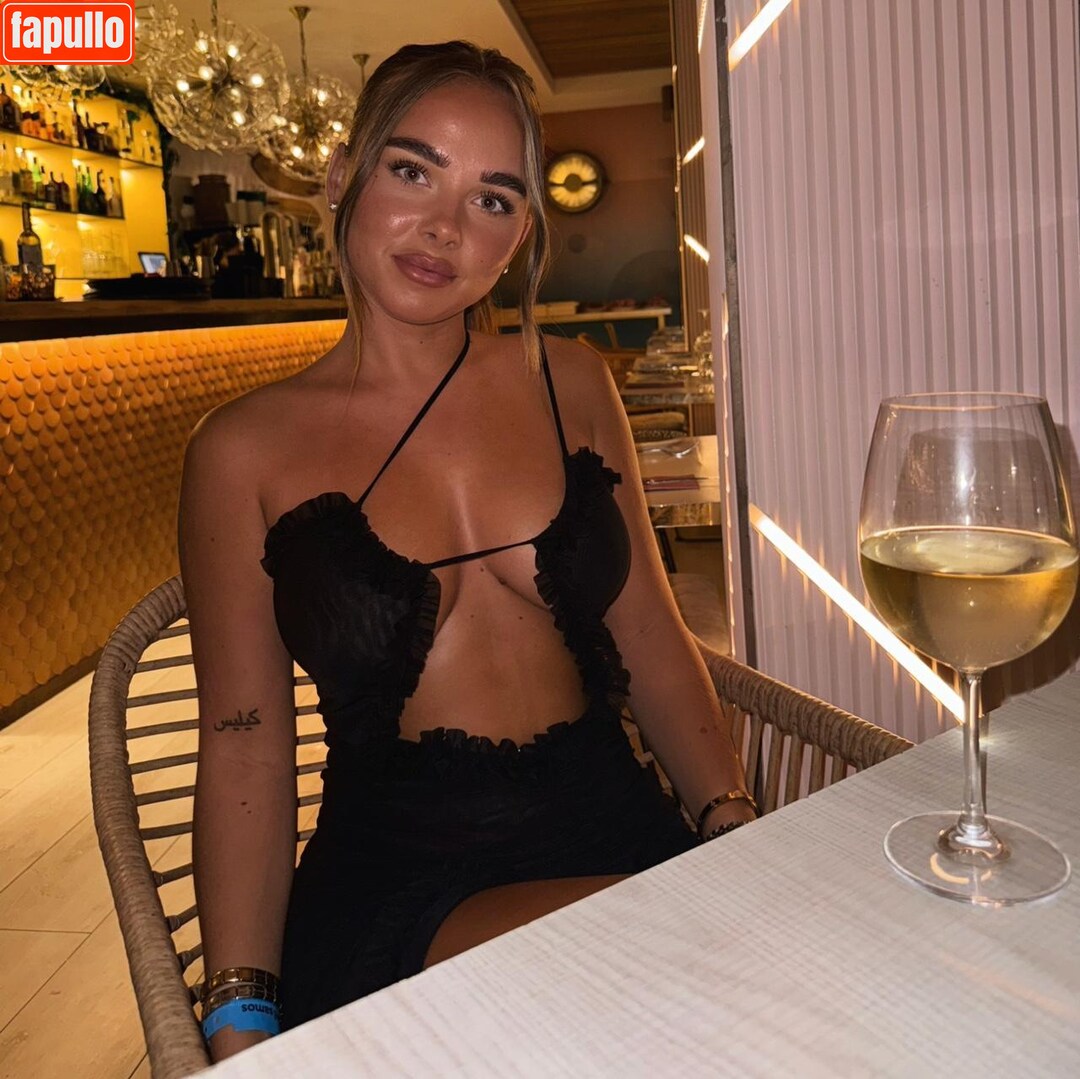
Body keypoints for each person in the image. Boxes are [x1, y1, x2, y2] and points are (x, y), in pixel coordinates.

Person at [179, 40, 755, 1062]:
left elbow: (652, 638)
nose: (445, 226)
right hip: (406, 878)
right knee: (671, 987)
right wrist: (239, 1008)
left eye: (493, 197)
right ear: (341, 177)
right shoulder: (242, 450)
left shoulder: (572, 381)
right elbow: (243, 739)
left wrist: (731, 824)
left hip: (617, 829)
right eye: (413, 171)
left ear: (521, 232)